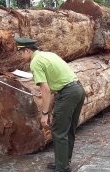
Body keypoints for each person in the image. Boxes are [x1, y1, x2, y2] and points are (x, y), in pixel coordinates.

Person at [14, 37, 85, 172]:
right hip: (78, 89)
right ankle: (63, 161)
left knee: (58, 132)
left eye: (21, 53)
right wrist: (50, 91)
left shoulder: (35, 62)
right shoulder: (49, 54)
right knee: (68, 130)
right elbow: (57, 78)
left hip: (67, 94)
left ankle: (62, 167)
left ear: (27, 50)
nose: (21, 55)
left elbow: (45, 89)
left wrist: (44, 114)